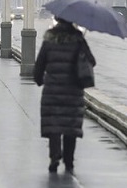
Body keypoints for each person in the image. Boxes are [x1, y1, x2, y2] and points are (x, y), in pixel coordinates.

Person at [33, 17, 96, 174]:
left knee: (54, 125)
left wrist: (39, 79)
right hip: (73, 91)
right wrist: (81, 44)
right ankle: (69, 161)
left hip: (52, 89)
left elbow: (40, 64)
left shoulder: (49, 39)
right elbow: (91, 61)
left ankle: (54, 157)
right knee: (70, 126)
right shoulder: (78, 39)